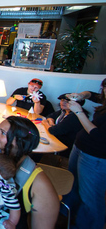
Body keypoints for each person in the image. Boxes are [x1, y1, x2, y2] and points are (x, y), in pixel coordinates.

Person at [61, 78, 106, 229]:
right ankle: (67, 218)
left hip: (96, 157)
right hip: (81, 148)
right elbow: (95, 96)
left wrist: (79, 112)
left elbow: (98, 136)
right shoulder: (104, 98)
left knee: (91, 197)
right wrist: (82, 95)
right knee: (72, 184)